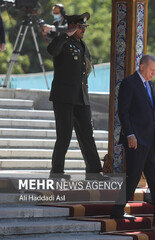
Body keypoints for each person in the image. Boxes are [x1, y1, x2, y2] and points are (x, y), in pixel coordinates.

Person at [110, 55, 155, 228]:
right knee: (133, 178)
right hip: (136, 141)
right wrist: (130, 134)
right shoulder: (129, 83)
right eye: (151, 70)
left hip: (151, 142)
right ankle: (117, 210)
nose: (153, 74)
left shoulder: (150, 84)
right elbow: (123, 112)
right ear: (141, 66)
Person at [47, 12, 108, 181]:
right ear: (71, 26)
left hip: (81, 97)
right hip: (64, 97)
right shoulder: (62, 41)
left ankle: (94, 172)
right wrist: (65, 34)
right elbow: (51, 50)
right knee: (64, 135)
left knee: (87, 135)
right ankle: (57, 172)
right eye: (80, 27)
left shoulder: (82, 45)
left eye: (84, 28)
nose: (83, 30)